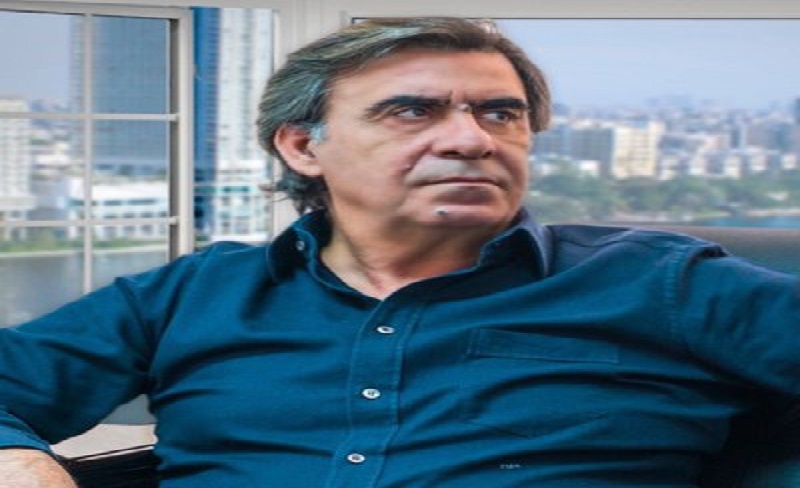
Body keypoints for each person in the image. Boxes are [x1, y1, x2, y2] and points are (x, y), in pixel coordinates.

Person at [0, 17, 798, 488]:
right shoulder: (191, 295)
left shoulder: (659, 283)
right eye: (413, 112)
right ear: (303, 146)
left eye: (501, 114)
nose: (471, 140)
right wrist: (23, 463)